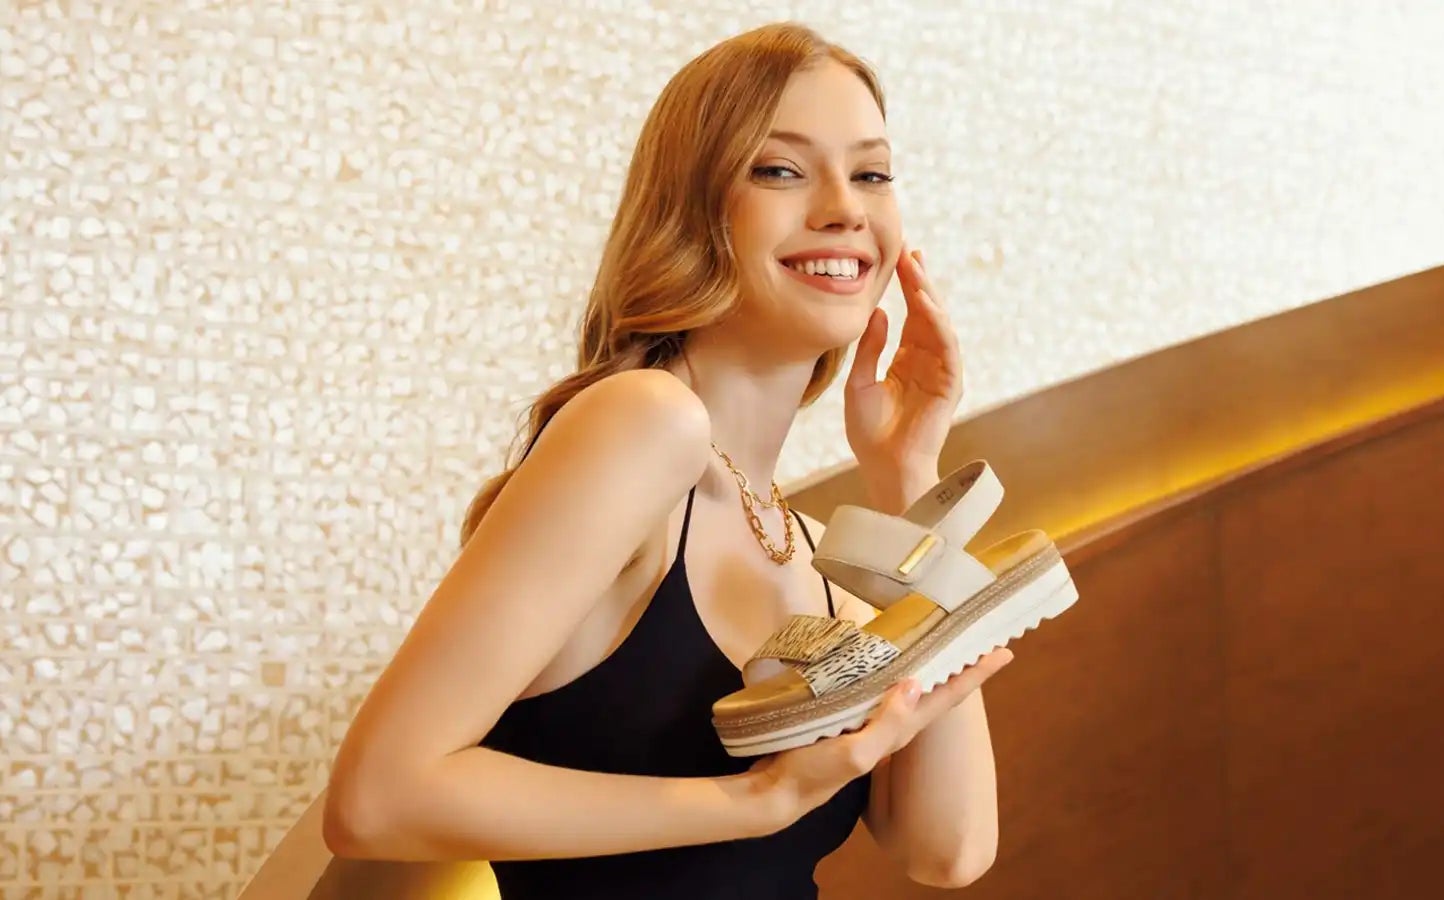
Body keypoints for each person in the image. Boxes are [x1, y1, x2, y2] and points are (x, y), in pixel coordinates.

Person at [320, 22, 1009, 896]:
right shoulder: (643, 422)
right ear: (691, 210)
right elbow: (377, 798)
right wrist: (753, 803)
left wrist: (907, 478)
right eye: (780, 170)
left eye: (871, 173)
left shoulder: (811, 550)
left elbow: (947, 851)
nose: (846, 208)